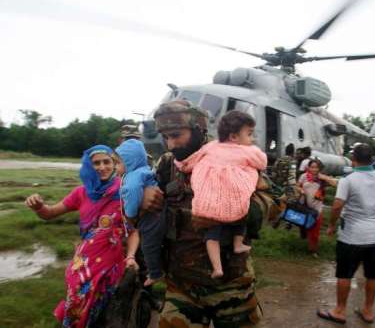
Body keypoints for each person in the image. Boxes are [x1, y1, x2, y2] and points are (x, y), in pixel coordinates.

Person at [141, 100, 263, 327]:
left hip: (230, 286)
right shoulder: (168, 164)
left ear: (199, 130)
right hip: (181, 285)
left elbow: (274, 202)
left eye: (176, 135)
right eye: (165, 137)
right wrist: (145, 195)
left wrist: (231, 213)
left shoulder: (234, 154)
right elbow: (150, 202)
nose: (170, 145)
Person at [25, 145, 139, 327]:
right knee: (76, 302)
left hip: (111, 266)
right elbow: (50, 213)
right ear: (88, 165)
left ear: (114, 163)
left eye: (106, 162)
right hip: (83, 264)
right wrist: (38, 206)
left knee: (105, 311)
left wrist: (131, 256)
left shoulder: (124, 192)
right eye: (96, 163)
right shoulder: (81, 193)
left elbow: (133, 231)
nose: (102, 167)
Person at [175, 110, 267, 278]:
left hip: (208, 204)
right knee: (241, 219)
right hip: (234, 202)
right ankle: (238, 244)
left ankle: (217, 268)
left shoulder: (211, 146)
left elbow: (190, 162)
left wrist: (180, 164)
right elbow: (262, 162)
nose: (251, 139)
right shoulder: (247, 151)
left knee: (212, 236)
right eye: (249, 134)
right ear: (233, 136)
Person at [318, 143, 375, 325]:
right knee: (372, 275)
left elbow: (337, 205)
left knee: (344, 274)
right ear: (371, 159)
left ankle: (340, 311)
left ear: (353, 159)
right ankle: (368, 311)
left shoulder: (349, 180)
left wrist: (332, 224)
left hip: (352, 236)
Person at [114, 139, 164, 286]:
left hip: (151, 217)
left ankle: (155, 273)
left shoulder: (132, 177)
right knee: (152, 244)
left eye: (118, 163)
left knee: (148, 245)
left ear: (129, 162)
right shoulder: (142, 170)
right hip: (155, 215)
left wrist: (130, 214)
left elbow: (133, 194)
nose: (115, 167)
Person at [297, 158, 337, 256]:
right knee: (307, 227)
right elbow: (297, 186)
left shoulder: (322, 178)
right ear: (308, 167)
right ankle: (307, 243)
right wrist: (300, 190)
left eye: (316, 167)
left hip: (317, 208)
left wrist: (324, 178)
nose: (314, 169)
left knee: (315, 230)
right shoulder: (303, 176)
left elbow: (335, 184)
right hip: (305, 206)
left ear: (319, 168)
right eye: (312, 167)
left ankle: (313, 250)